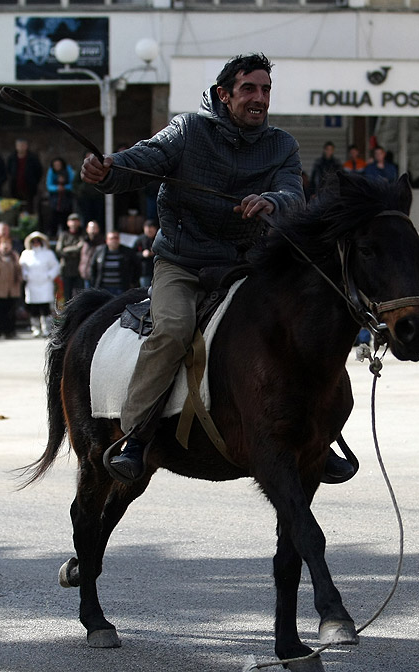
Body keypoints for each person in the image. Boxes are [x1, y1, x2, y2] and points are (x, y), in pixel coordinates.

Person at [80, 52, 305, 482]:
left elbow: (294, 194)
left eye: (266, 90)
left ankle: (317, 436)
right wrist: (105, 171)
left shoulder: (283, 145)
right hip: (183, 263)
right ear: (224, 94)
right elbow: (138, 161)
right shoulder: (187, 130)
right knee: (173, 330)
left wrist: (272, 202)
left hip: (247, 265)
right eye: (249, 89)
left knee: (297, 326)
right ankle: (136, 437)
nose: (259, 98)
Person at [18, 231, 61, 338]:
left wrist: (49, 276)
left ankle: (46, 328)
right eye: (34, 241)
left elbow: (56, 266)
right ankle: (35, 328)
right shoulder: (26, 254)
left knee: (45, 308)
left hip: (45, 284)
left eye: (38, 241)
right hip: (32, 284)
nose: (36, 243)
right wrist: (26, 275)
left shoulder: (48, 254)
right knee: (34, 309)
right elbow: (22, 268)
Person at [89, 230, 136, 297]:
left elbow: (137, 267)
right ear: (107, 240)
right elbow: (93, 268)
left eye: (116, 238)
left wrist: (132, 282)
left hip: (121, 288)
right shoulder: (99, 251)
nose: (114, 240)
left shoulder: (127, 252)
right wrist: (94, 283)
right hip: (104, 287)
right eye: (111, 238)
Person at [55, 213, 86, 301]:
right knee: (66, 295)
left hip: (78, 270)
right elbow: (59, 250)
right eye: (72, 221)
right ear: (68, 223)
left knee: (79, 295)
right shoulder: (64, 235)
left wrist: (67, 250)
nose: (74, 223)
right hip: (66, 269)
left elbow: (80, 247)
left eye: (76, 221)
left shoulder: (82, 234)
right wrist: (74, 250)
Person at [7, 138, 43, 214]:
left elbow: (39, 171)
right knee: (16, 208)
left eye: (23, 145)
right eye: (19, 145)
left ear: (26, 146)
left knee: (29, 208)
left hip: (29, 188)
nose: (21, 147)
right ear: (16, 147)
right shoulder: (12, 158)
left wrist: (33, 181)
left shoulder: (33, 158)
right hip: (15, 187)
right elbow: (8, 170)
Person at [46, 156, 76, 237]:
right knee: (53, 218)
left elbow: (73, 184)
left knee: (65, 218)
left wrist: (64, 188)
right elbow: (49, 185)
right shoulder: (51, 171)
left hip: (66, 199)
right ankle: (52, 235)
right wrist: (57, 188)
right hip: (55, 200)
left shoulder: (68, 170)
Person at [79, 218, 105, 288]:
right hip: (84, 275)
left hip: (96, 276)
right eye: (91, 228)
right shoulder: (84, 242)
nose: (92, 230)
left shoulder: (101, 242)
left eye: (95, 228)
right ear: (87, 229)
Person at [133, 218, 159, 289]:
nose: (149, 231)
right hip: (144, 270)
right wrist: (142, 254)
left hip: (158, 269)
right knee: (145, 291)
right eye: (147, 229)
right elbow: (133, 254)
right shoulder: (140, 239)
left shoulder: (159, 239)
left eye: (151, 229)